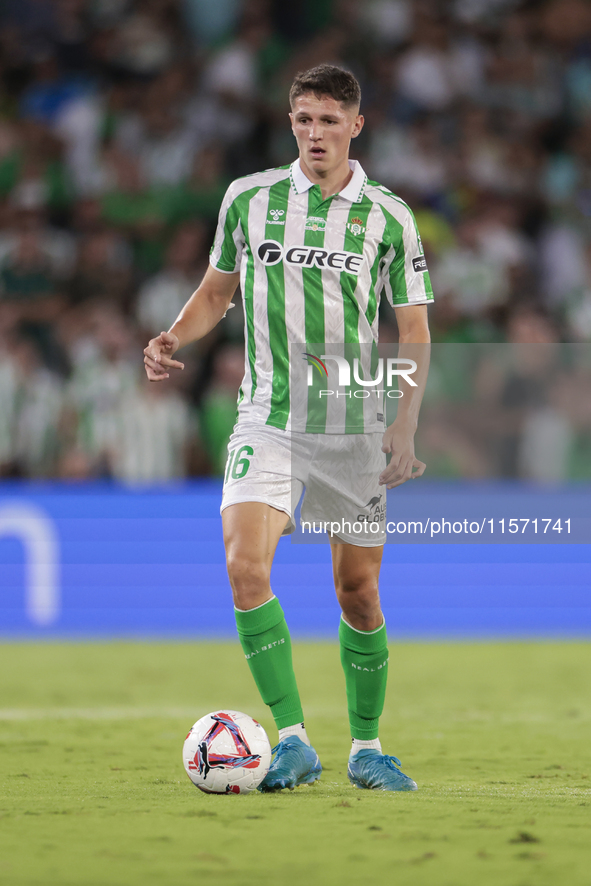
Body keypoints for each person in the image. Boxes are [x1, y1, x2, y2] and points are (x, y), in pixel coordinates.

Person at [144, 65, 433, 792]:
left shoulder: (388, 216)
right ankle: (293, 739)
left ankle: (366, 747)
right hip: (267, 416)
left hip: (353, 425)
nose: (315, 134)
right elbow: (217, 292)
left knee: (356, 591)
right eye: (303, 119)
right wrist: (177, 334)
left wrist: (404, 423)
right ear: (290, 122)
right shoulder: (250, 199)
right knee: (245, 568)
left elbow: (414, 327)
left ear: (355, 126)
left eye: (329, 121)